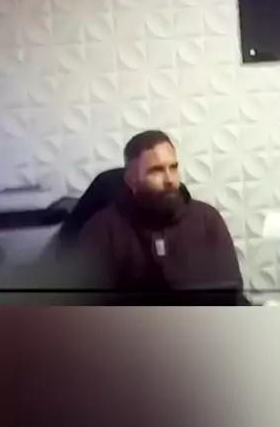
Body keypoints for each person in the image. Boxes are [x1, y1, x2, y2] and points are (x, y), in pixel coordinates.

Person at [72, 130, 247, 304]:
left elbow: (230, 296)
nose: (170, 179)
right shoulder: (101, 230)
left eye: (173, 167)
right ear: (131, 179)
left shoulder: (207, 220)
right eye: (156, 171)